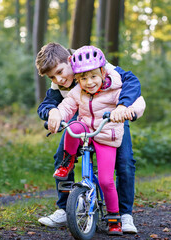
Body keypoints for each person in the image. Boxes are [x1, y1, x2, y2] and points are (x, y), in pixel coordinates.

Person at [36, 43, 142, 233]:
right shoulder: (58, 82)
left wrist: (123, 107)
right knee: (62, 154)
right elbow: (49, 103)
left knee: (125, 161)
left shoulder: (93, 62)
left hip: (113, 116)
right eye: (52, 76)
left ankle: (124, 215)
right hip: (83, 116)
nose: (59, 79)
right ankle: (65, 208)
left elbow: (131, 82)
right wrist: (52, 112)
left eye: (60, 72)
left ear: (70, 61)